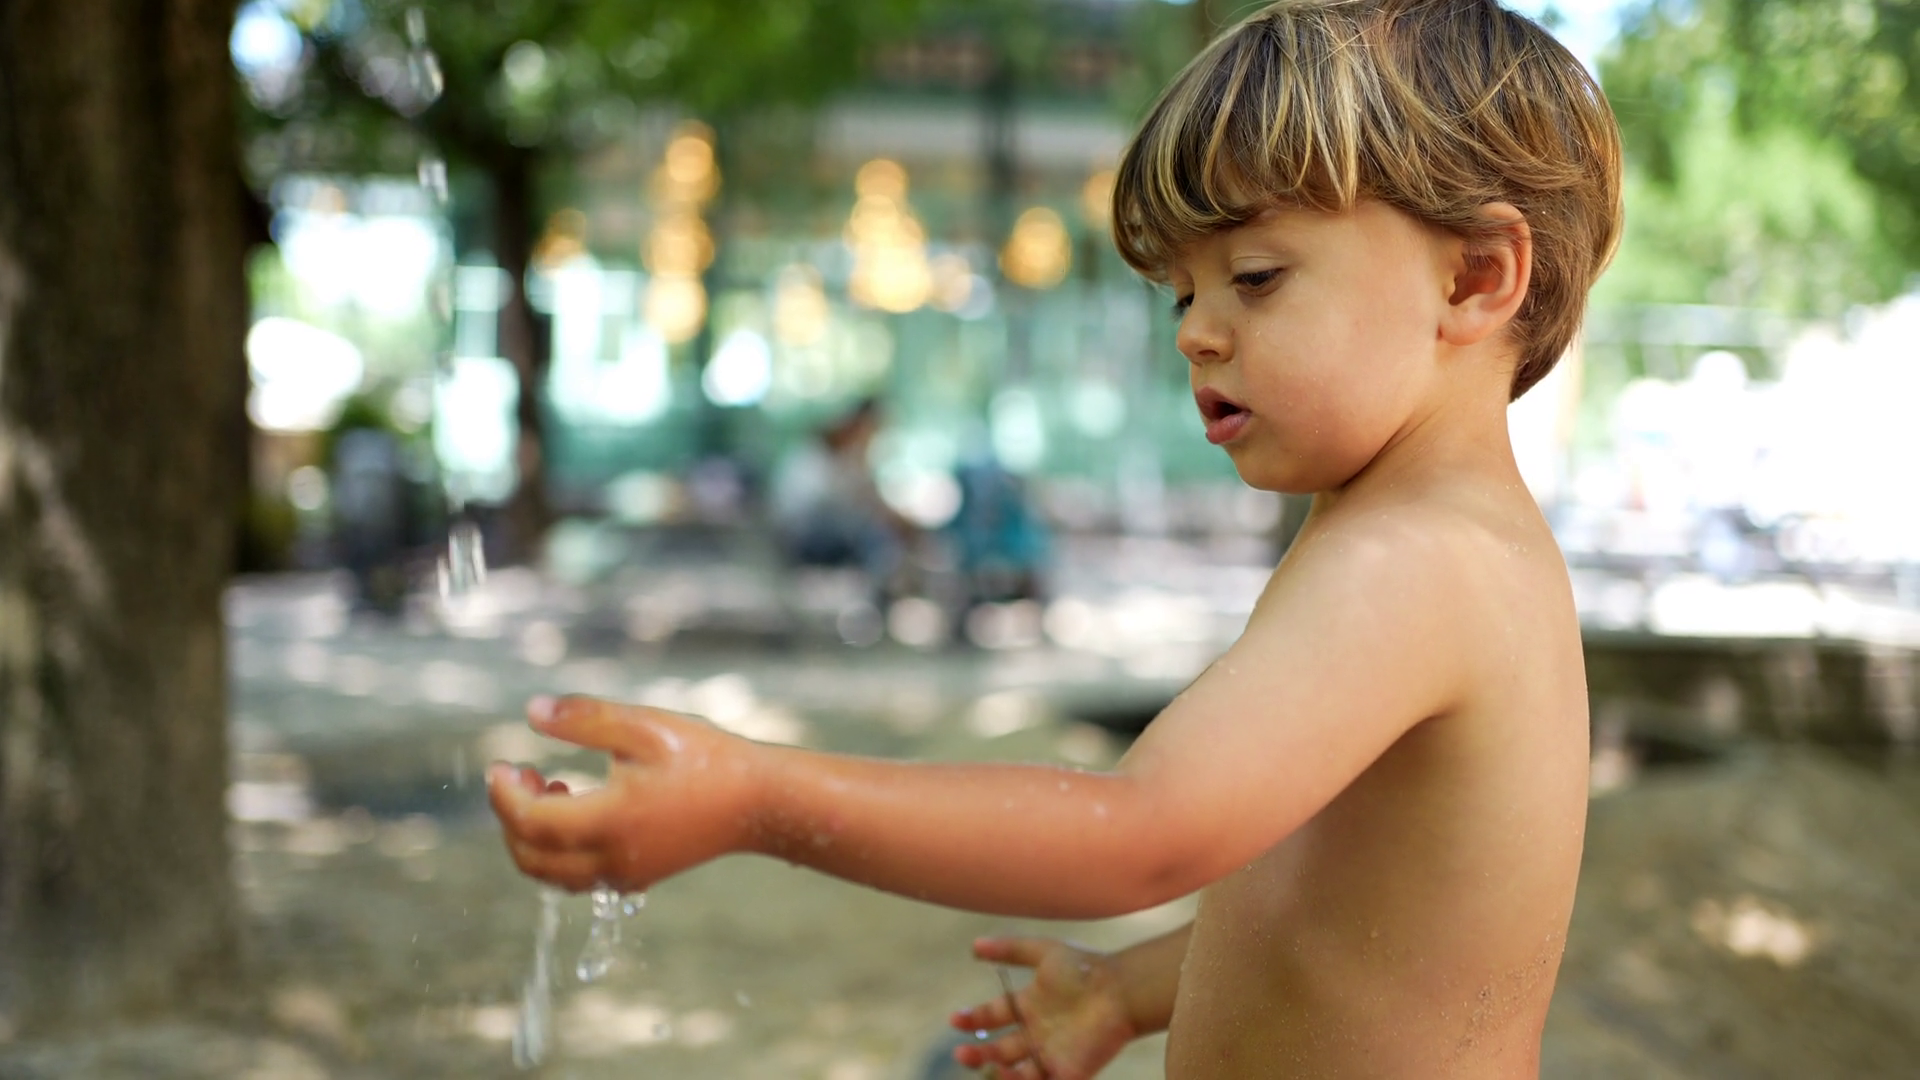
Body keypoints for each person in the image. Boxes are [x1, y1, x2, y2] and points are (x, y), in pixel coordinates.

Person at [489, 1, 1622, 1075]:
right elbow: (1358, 914)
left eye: (1256, 278)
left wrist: (755, 796)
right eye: (1182, 295)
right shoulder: (1447, 545)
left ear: (1475, 278)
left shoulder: (1413, 563)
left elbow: (1141, 835)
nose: (1197, 334)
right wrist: (1128, 990)